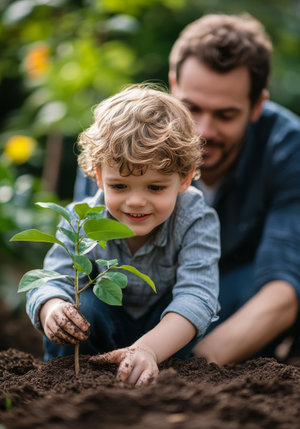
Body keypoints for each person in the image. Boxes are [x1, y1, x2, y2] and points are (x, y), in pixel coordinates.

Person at [74, 13, 300, 365]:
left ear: (257, 105)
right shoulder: (121, 139)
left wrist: (185, 370)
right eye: (192, 107)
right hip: (126, 305)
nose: (203, 131)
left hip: (223, 312)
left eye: (225, 115)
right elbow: (82, 262)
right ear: (173, 84)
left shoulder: (286, 147)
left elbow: (283, 291)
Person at [26, 84, 221, 385]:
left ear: (184, 179)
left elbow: (198, 295)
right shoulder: (82, 219)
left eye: (155, 187)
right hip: (97, 336)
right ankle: (67, 382)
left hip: (163, 335)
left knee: (190, 319)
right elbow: (51, 278)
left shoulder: (195, 218)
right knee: (81, 306)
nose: (136, 202)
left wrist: (148, 349)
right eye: (119, 186)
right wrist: (51, 307)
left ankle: (152, 374)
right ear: (100, 177)